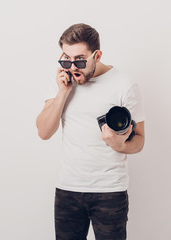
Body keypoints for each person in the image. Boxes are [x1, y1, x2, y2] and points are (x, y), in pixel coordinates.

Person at [36, 23, 145, 240]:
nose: (73, 66)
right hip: (68, 190)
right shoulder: (63, 82)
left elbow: (140, 141)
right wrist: (63, 93)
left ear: (97, 55)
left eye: (80, 59)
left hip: (110, 192)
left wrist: (119, 144)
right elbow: (44, 132)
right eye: (66, 58)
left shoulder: (124, 85)